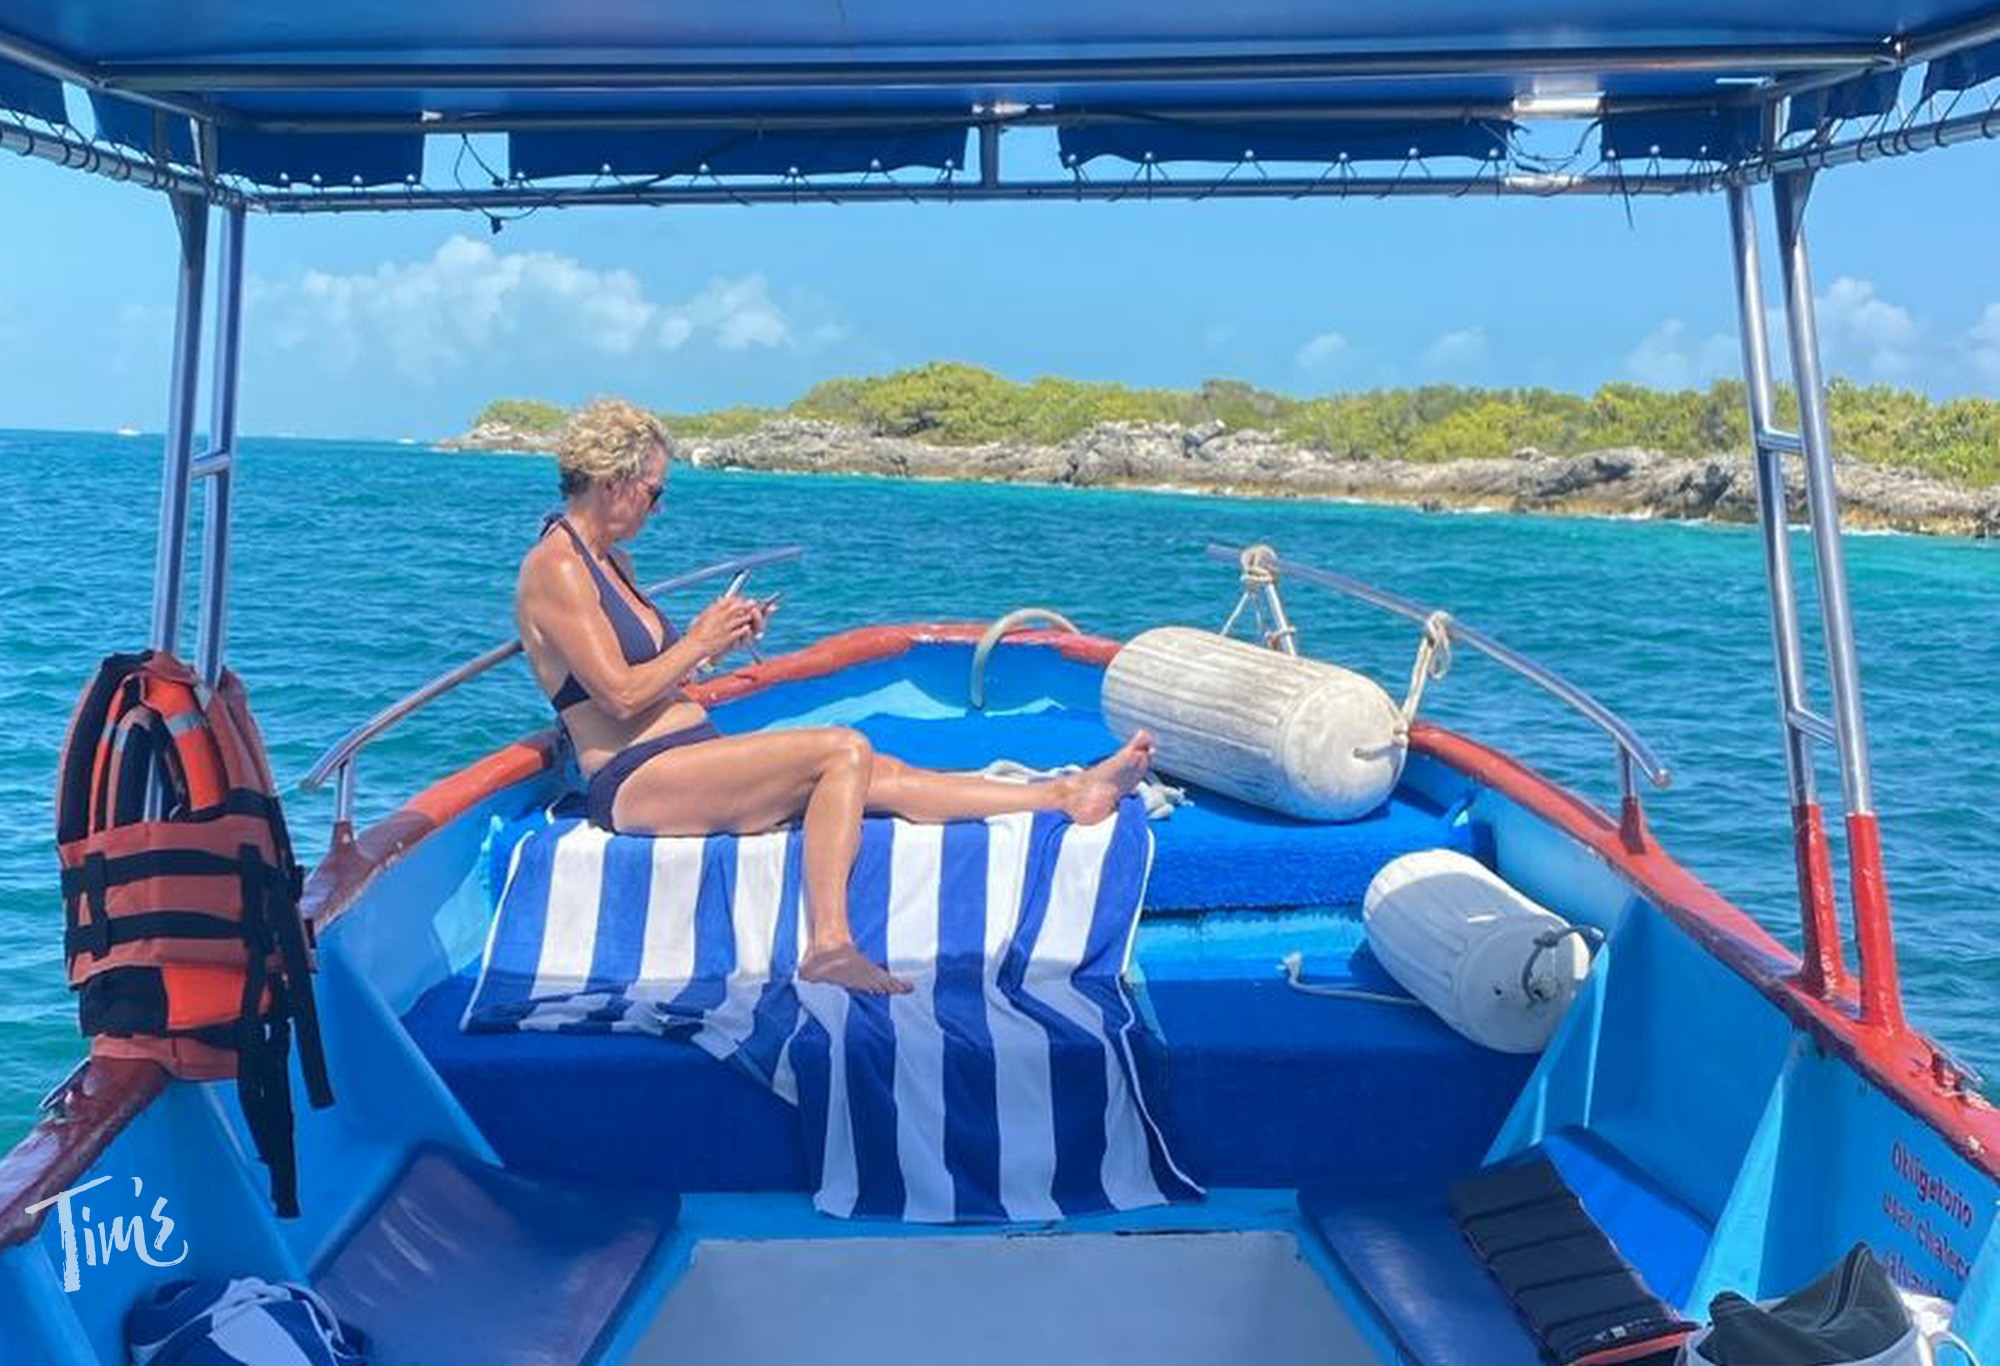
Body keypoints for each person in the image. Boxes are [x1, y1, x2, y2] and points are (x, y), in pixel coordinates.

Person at [516, 398, 1155, 995]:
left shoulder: (613, 566)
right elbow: (621, 697)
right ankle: (828, 944)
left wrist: (718, 643)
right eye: (654, 493)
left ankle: (1063, 794)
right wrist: (699, 642)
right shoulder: (558, 567)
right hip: (635, 782)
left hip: (682, 756)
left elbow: (657, 677)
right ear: (612, 482)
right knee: (842, 750)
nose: (657, 510)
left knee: (884, 773)